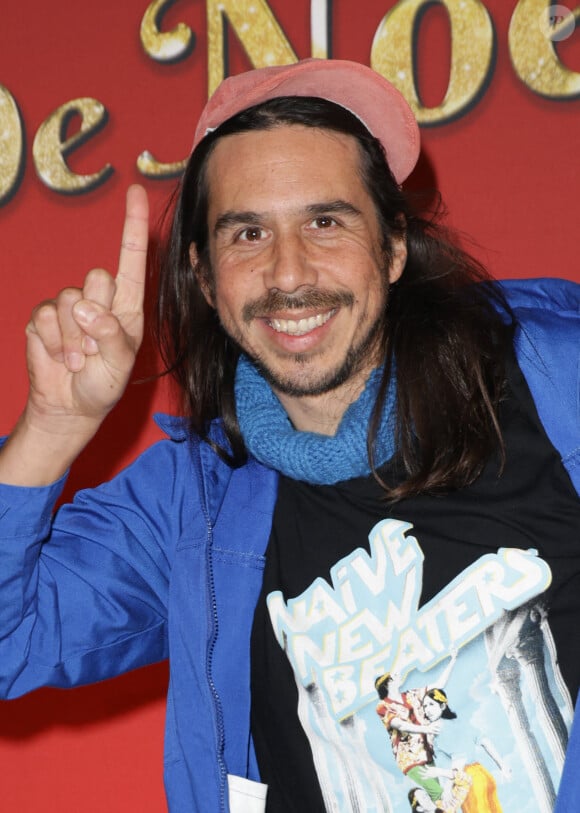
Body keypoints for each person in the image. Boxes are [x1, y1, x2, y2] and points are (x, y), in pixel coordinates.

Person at [0, 58, 578, 813]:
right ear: (206, 279)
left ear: (394, 247)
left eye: (325, 221)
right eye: (248, 233)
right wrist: (53, 427)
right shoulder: (188, 507)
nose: (289, 271)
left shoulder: (552, 380)